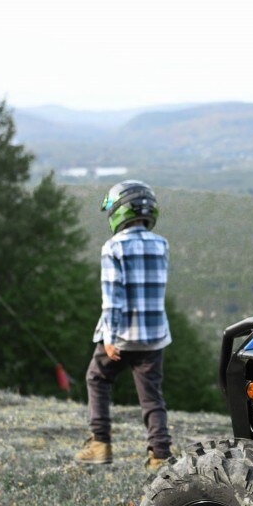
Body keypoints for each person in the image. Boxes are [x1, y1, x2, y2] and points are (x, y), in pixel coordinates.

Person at [75, 180, 173, 470]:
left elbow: (112, 297)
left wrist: (110, 335)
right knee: (151, 396)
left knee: (97, 378)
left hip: (122, 335)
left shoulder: (113, 247)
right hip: (154, 337)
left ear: (119, 211)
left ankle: (100, 444)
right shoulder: (162, 245)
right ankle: (160, 455)